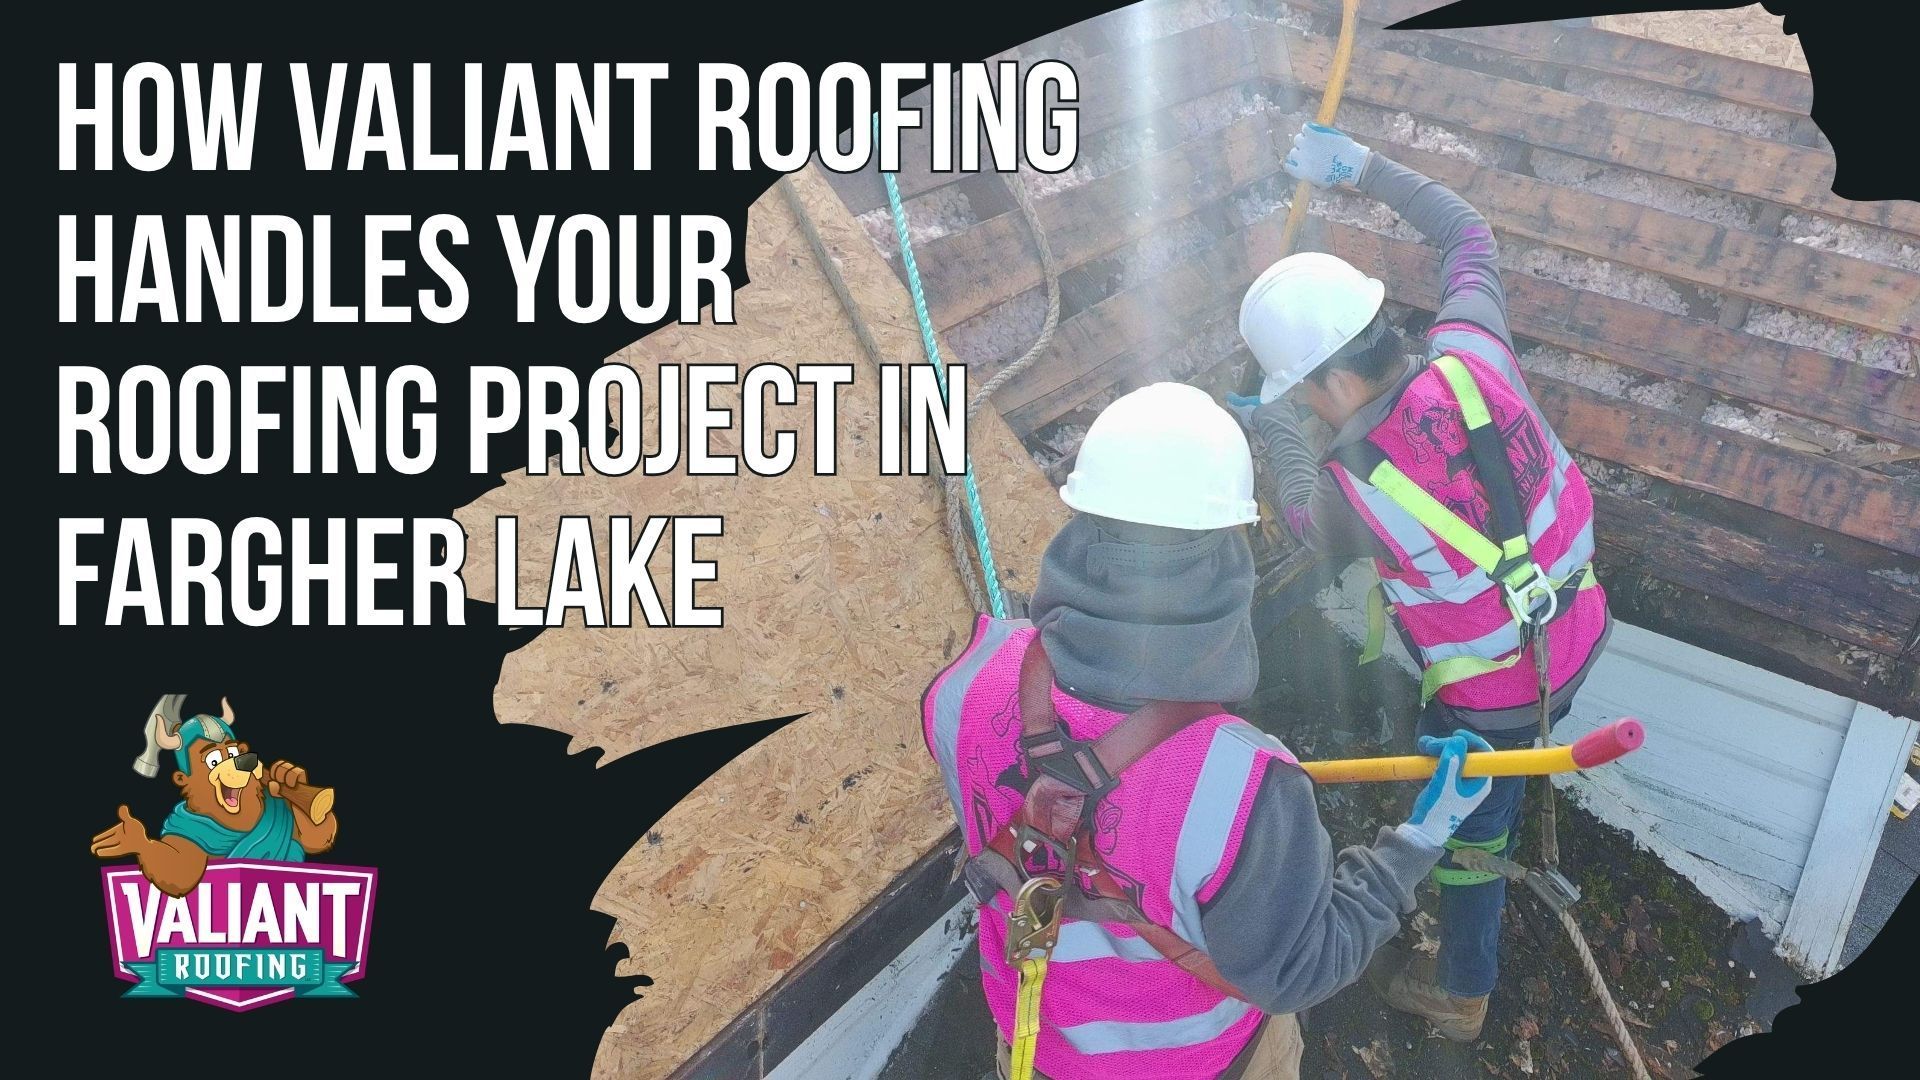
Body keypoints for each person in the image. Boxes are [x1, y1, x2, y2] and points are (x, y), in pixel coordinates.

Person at [922, 381, 1495, 1080]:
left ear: (1080, 520)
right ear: (1231, 551)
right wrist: (1419, 840)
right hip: (1197, 1064)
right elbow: (1300, 970)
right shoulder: (1247, 784)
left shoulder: (963, 685)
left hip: (1033, 1044)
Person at [1227, 123, 1615, 1041]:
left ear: (1323, 387)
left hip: (1491, 709)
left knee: (1470, 834)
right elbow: (1466, 233)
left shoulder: (1349, 491)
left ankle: (1463, 991)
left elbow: (1296, 510)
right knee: (1510, 770)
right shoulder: (1473, 348)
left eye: (1303, 397)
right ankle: (1512, 810)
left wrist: (1268, 428)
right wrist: (1362, 167)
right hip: (1580, 629)